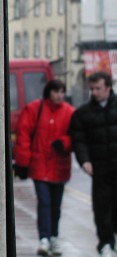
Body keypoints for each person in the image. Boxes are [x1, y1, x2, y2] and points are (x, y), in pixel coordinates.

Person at [14, 79, 75, 256]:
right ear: (49, 92)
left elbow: (77, 136)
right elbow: (23, 134)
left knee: (56, 205)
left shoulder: (69, 113)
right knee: (45, 203)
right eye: (56, 91)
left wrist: (65, 143)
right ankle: (44, 238)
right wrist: (23, 162)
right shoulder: (35, 109)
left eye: (62, 92)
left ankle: (53, 237)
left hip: (59, 167)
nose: (60, 95)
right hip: (40, 166)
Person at [69, 71, 117, 257]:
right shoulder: (84, 113)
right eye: (92, 89)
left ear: (108, 88)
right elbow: (79, 139)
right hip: (100, 168)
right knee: (102, 207)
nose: (94, 92)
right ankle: (105, 243)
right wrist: (85, 160)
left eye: (98, 88)